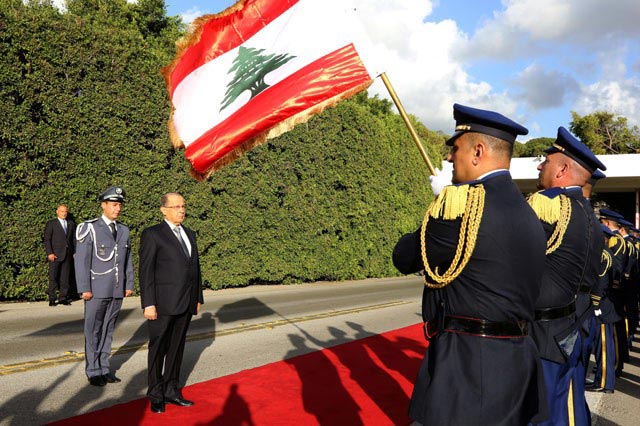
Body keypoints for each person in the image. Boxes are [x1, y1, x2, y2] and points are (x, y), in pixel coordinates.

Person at [393, 104, 548, 425]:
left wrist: (440, 203)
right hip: (518, 358)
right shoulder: (530, 211)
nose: (449, 158)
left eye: (455, 148)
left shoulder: (462, 208)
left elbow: (404, 257)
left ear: (478, 151)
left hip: (466, 364)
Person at [527, 127, 605, 426]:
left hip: (544, 332)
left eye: (545, 161)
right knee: (564, 405)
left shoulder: (548, 205)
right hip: (573, 324)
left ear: (561, 169)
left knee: (540, 412)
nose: (539, 166)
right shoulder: (589, 216)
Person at [139, 192, 203, 414]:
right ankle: (156, 394)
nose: (181, 210)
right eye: (176, 206)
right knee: (158, 349)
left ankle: (171, 391)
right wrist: (148, 303)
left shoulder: (190, 234)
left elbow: (195, 268)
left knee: (176, 349)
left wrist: (197, 297)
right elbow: (146, 272)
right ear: (163, 210)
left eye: (183, 206)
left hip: (186, 303)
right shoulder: (153, 234)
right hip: (162, 304)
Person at [75, 186, 134, 386]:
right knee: (93, 329)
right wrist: (84, 288)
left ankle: (105, 367)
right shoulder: (89, 228)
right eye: (114, 204)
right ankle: (93, 370)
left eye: (120, 205)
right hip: (96, 288)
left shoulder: (124, 230)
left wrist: (129, 283)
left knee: (108, 329)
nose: (118, 209)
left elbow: (127, 260)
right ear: (104, 205)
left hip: (116, 288)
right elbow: (82, 260)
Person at [587, 224, 621, 393]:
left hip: (602, 307)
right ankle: (603, 380)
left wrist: (595, 304)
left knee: (604, 347)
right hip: (605, 306)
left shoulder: (603, 255)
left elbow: (601, 283)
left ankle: (604, 383)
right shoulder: (606, 253)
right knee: (602, 346)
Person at [43, 204, 76, 306]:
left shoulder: (71, 224)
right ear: (57, 212)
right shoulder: (51, 223)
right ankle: (52, 298)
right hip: (55, 255)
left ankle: (63, 298)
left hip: (67, 254)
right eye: (62, 211)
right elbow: (47, 239)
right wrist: (50, 253)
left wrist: (74, 251)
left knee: (65, 277)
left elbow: (73, 239)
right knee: (53, 277)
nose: (64, 213)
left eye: (65, 211)